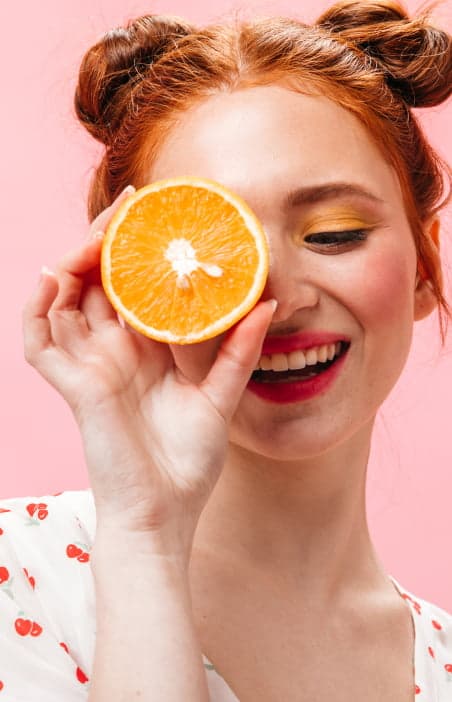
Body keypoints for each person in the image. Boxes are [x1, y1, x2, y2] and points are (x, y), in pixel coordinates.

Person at [2, 0, 451, 699]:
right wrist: (145, 533)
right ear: (129, 273)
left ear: (427, 266)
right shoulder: (18, 580)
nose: (276, 301)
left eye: (332, 233)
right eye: (211, 252)